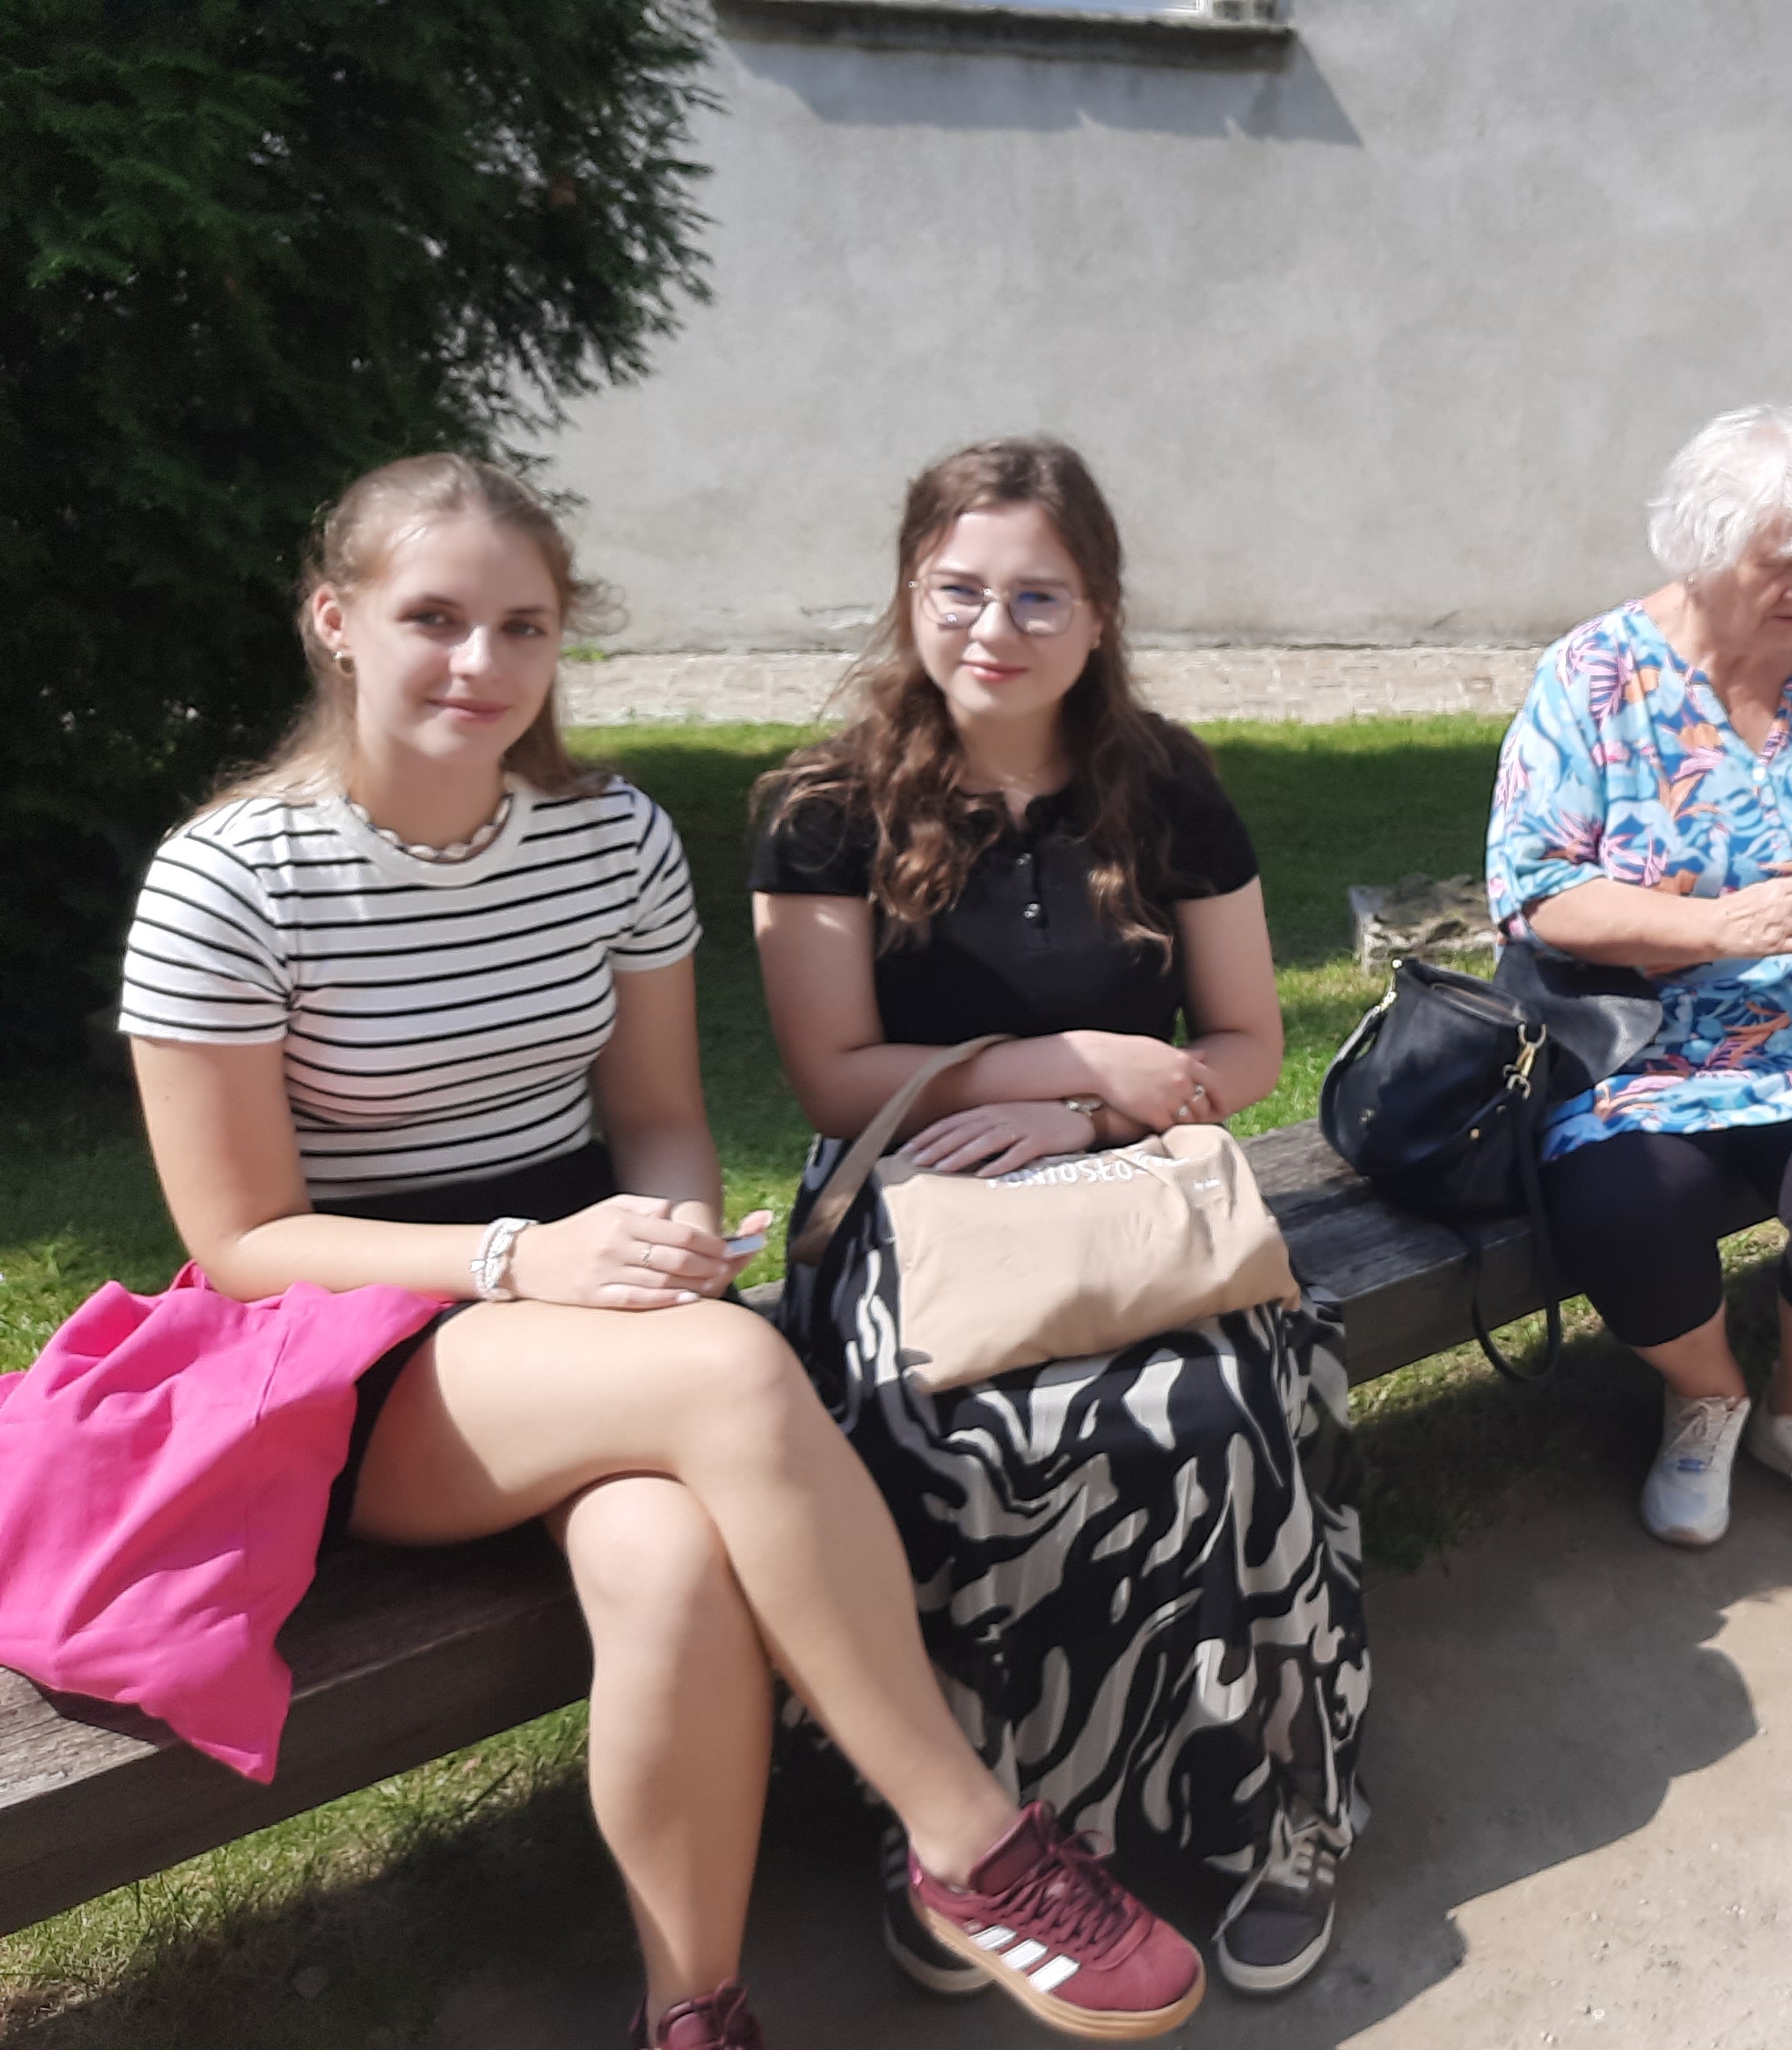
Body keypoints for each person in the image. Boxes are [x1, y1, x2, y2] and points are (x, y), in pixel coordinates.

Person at [108, 456, 1203, 2048]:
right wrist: (520, 1261)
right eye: (434, 619)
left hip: (594, 1304)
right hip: (350, 1349)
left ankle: (692, 2011)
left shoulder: (608, 834)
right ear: (335, 620)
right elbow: (241, 1242)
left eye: (522, 625)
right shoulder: (227, 880)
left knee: (672, 1563)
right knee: (736, 1373)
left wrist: (677, 1224)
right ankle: (974, 1842)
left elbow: (660, 1118)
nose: (482, 662)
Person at [751, 440, 1365, 2001]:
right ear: (911, 592)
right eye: (959, 589)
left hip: (1131, 1183)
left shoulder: (1168, 787)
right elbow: (832, 1077)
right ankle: (972, 1830)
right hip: (912, 1191)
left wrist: (1091, 1118)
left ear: (1100, 613)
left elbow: (1244, 1046)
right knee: (959, 1435)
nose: (995, 627)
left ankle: (1274, 1809)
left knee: (1232, 1407)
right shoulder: (825, 807)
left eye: (1040, 596)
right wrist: (1074, 1059)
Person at [1487, 405, 1792, 1547]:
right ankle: (1708, 1397)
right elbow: (1533, 893)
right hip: (1631, 1042)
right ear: (1696, 550)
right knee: (1629, 1207)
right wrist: (1716, 927)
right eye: (1775, 565)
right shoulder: (1592, 677)